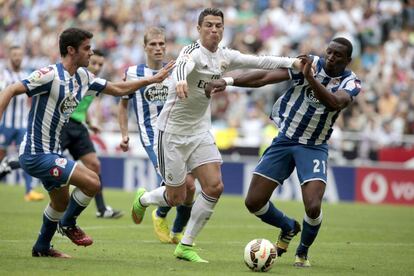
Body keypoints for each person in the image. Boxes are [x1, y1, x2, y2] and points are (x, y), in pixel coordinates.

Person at [130, 8, 302, 263]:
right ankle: (144, 199)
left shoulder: (224, 56)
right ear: (198, 29)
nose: (214, 30)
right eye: (208, 25)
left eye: (218, 26)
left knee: (214, 186)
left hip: (200, 131)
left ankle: (186, 245)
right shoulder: (192, 52)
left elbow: (258, 61)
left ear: (223, 29)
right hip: (172, 133)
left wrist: (292, 63)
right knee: (176, 197)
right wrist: (179, 81)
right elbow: (181, 66)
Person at [0, 27, 174, 258]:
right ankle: (68, 224)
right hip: (36, 153)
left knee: (59, 203)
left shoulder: (83, 77)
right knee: (92, 182)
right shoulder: (49, 75)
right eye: (86, 49)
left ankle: (42, 247)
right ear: (71, 51)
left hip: (51, 152)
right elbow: (12, 89)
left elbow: (115, 88)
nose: (91, 54)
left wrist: (151, 80)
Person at [205, 37, 361, 267]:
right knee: (253, 202)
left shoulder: (351, 82)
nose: (331, 57)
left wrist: (310, 79)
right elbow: (265, 77)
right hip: (285, 140)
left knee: (313, 205)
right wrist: (227, 81)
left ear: (347, 61)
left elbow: (335, 103)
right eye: (329, 52)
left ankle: (302, 252)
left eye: (338, 55)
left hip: (314, 146)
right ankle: (288, 226)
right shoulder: (310, 64)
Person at [118, 27, 195, 243]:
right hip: (153, 137)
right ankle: (157, 212)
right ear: (145, 47)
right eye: (153, 44)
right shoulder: (133, 73)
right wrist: (124, 134)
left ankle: (176, 230)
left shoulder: (175, 70)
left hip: (178, 134)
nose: (158, 48)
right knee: (177, 185)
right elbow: (123, 105)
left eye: (161, 44)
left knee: (190, 187)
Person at [60, 49, 123, 219]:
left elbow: (82, 104)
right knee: (47, 162)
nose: (96, 67)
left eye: (100, 64)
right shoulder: (76, 77)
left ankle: (101, 209)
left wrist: (90, 122)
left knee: (94, 165)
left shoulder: (95, 83)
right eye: (94, 62)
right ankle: (12, 164)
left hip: (79, 126)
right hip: (63, 125)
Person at [0, 46, 44, 201]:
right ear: (9, 57)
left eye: (20, 55)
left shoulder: (27, 75)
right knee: (1, 157)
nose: (17, 58)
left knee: (25, 156)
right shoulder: (3, 74)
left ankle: (29, 191)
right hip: (5, 124)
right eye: (14, 55)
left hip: (22, 124)